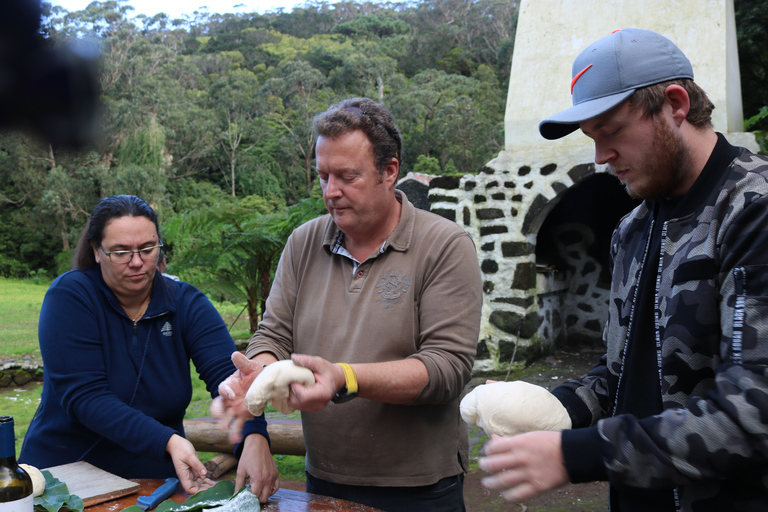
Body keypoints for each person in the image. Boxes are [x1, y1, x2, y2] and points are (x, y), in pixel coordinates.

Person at [476, 28, 768, 511]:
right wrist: (553, 408)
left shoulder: (752, 209)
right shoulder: (632, 227)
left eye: (610, 130)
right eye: (591, 138)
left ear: (675, 104)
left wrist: (580, 454)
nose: (600, 156)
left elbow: (754, 411)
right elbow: (624, 372)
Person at [210, 97, 483, 511]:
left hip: (421, 488)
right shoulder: (303, 242)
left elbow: (446, 368)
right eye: (323, 176)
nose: (330, 192)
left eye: (347, 176)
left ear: (389, 171)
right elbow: (273, 334)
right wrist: (257, 377)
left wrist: (344, 378)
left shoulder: (444, 245)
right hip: (324, 477)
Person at [19, 194, 277, 499]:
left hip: (156, 489)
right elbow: (85, 396)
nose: (138, 262)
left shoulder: (186, 303)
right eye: (121, 252)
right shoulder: (71, 297)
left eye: (147, 248)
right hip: (65, 483)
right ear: (96, 251)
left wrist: (254, 436)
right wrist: (168, 440)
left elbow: (231, 377)